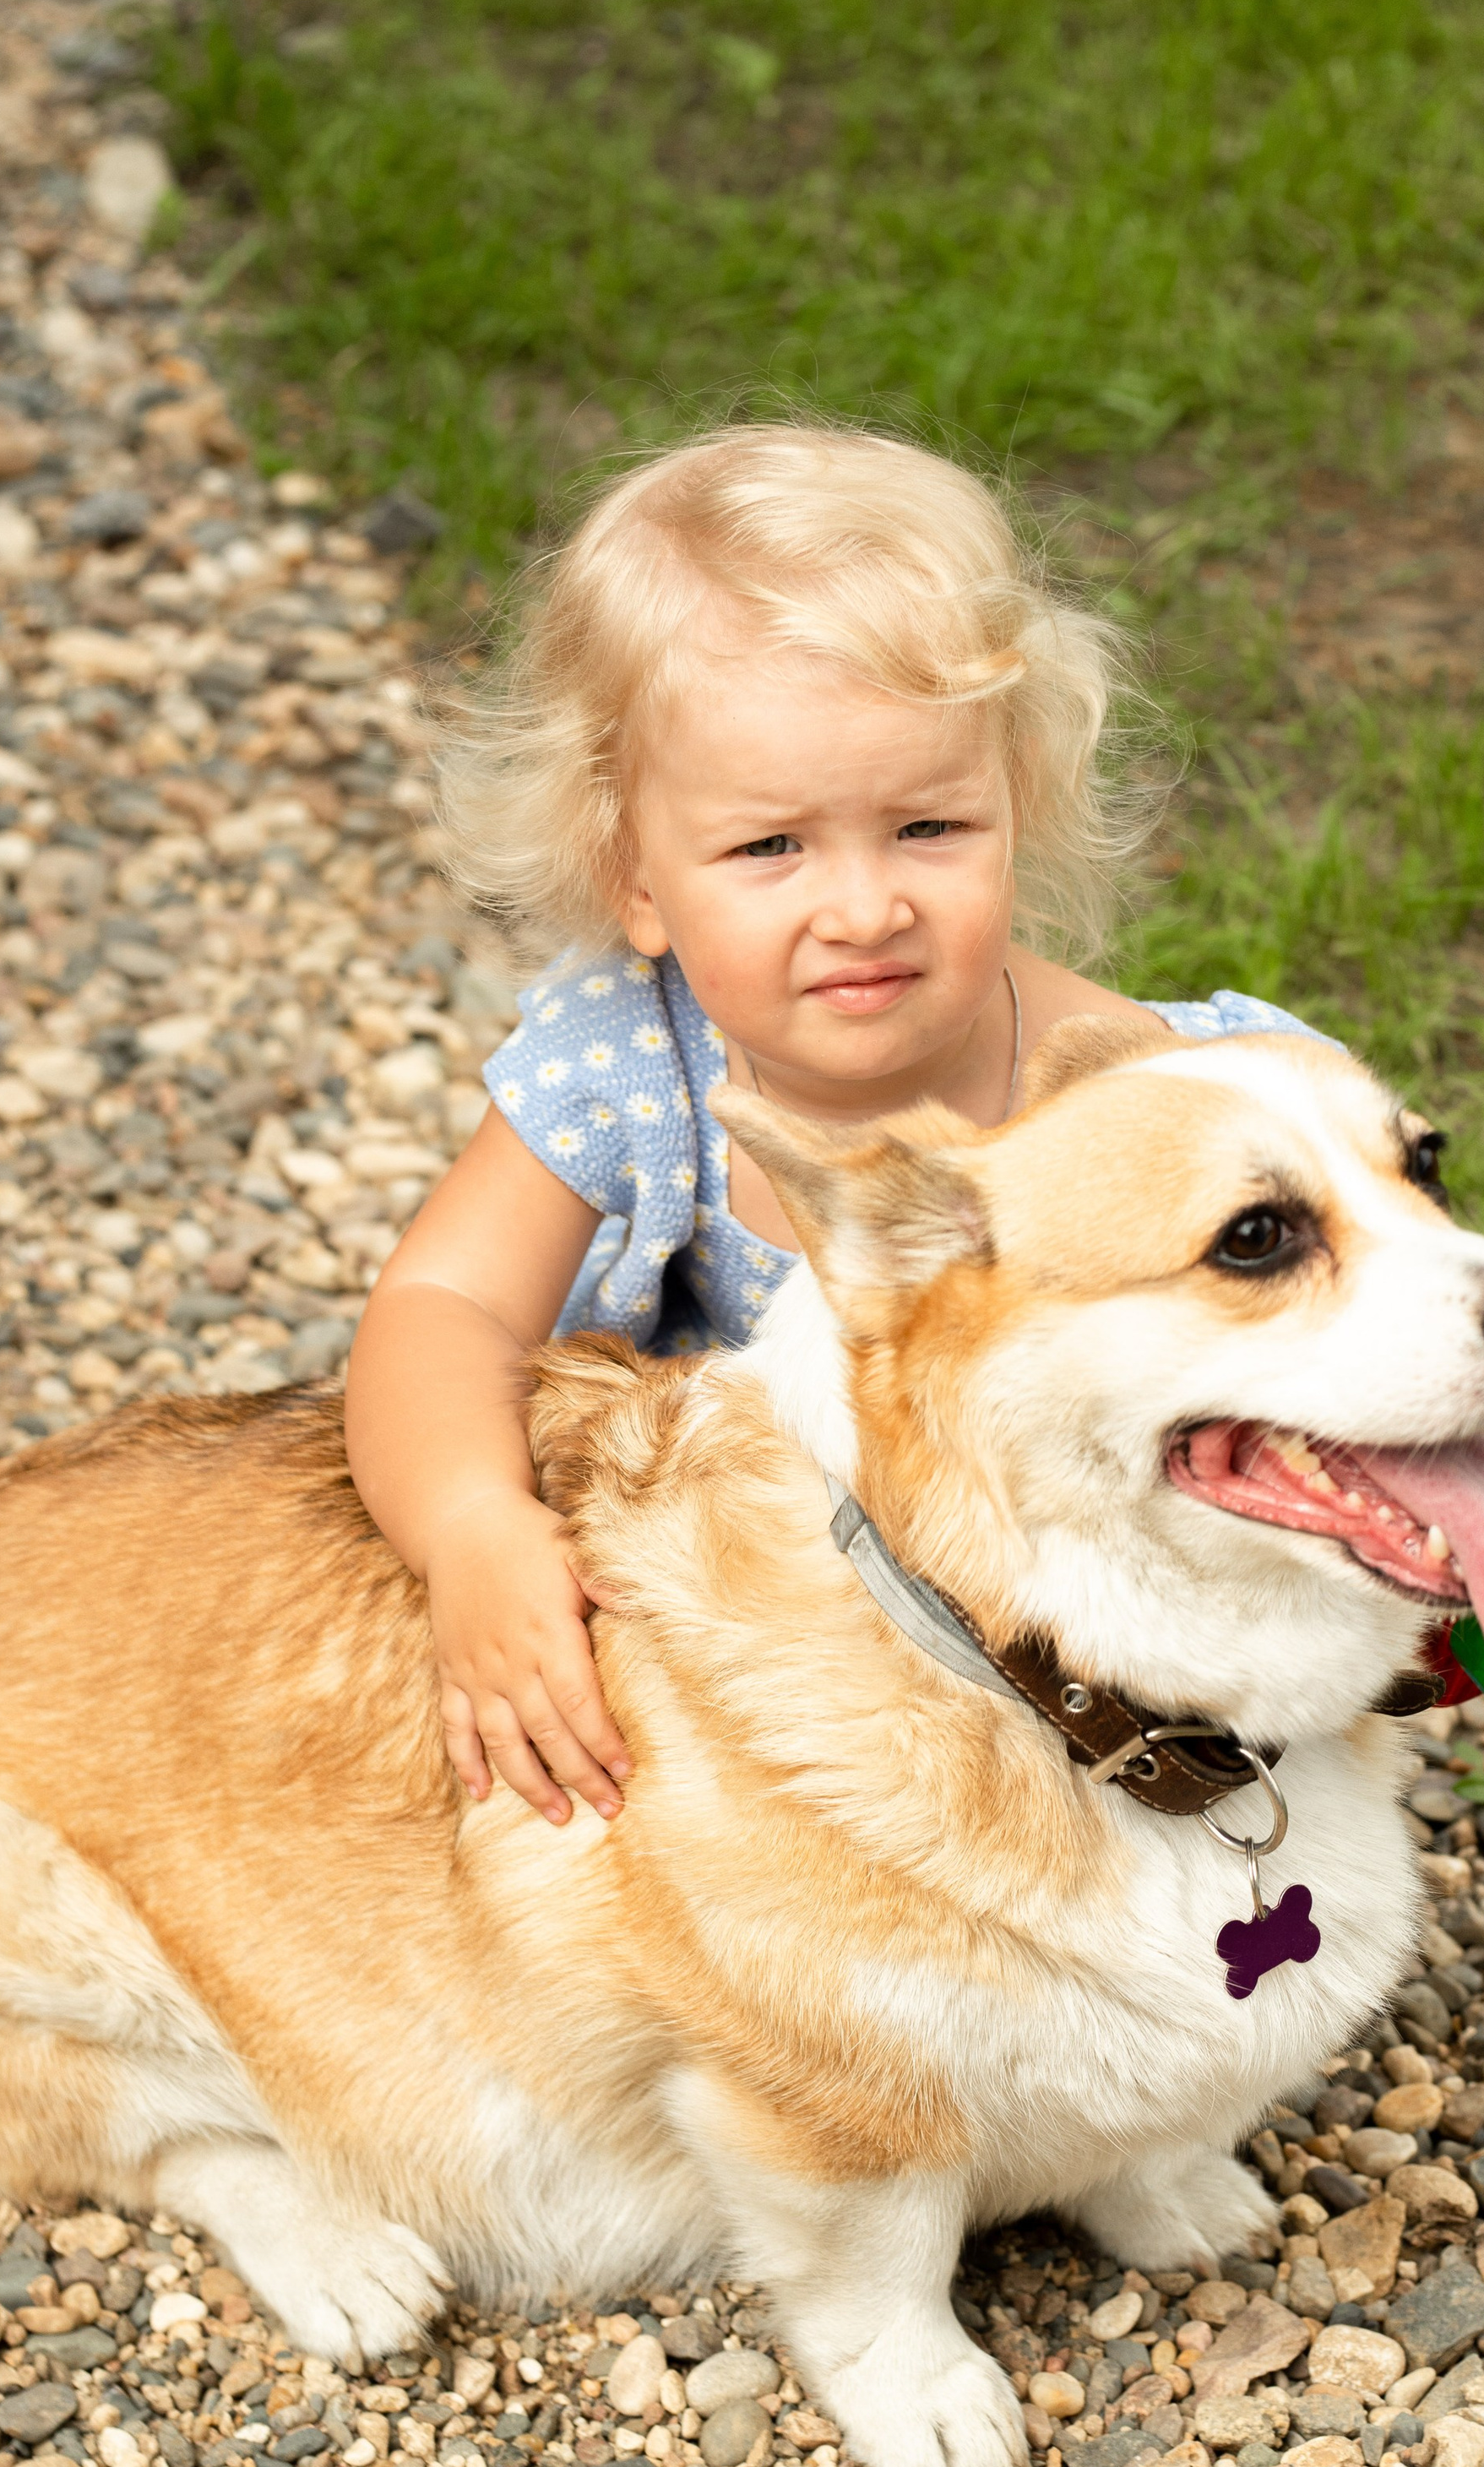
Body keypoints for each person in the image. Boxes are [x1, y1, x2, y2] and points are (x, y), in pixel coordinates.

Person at [344, 423, 1315, 1823]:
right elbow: (445, 1304)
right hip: (752, 1611)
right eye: (769, 847)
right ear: (636, 878)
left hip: (1076, 1631)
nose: (864, 908)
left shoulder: (1138, 1103)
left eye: (928, 828)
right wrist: (471, 1528)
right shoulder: (636, 1065)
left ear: (1019, 806)